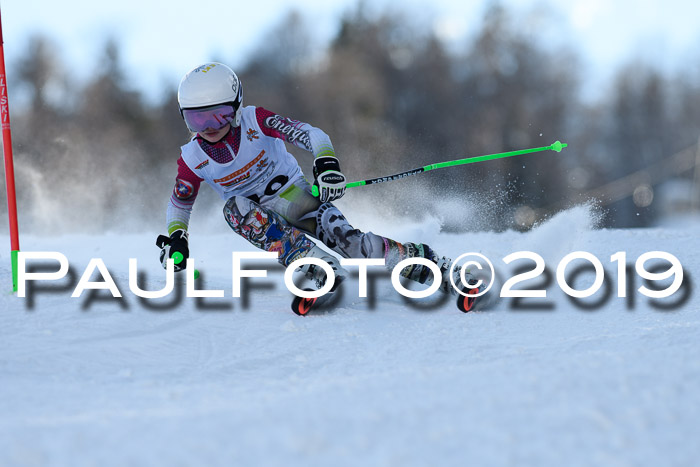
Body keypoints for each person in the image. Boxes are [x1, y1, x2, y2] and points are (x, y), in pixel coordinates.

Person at [157, 62, 480, 314]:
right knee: (234, 210)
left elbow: (313, 135)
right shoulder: (193, 157)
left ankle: (437, 268)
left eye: (220, 116)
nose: (210, 128)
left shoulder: (257, 121)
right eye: (198, 121)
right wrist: (177, 238)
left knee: (355, 246)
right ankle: (315, 265)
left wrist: (326, 165)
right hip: (255, 215)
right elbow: (180, 203)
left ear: (238, 106)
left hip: (296, 198)